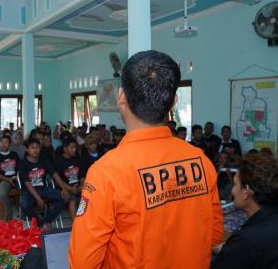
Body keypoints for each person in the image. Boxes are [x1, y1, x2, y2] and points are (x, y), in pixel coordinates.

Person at [69, 50, 223, 269]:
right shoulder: (200, 160)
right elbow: (214, 235)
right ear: (173, 103)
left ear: (121, 97)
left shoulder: (107, 171)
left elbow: (83, 262)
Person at [211, 154, 278, 268]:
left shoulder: (246, 239)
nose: (232, 190)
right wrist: (229, 248)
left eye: (235, 184)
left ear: (246, 191)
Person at [19, 138, 68, 227]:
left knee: (64, 197)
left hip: (43, 188)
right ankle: (39, 222)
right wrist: (38, 199)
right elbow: (27, 184)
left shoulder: (43, 159)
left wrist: (64, 189)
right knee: (24, 204)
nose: (35, 150)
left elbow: (54, 174)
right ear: (27, 149)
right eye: (32, 148)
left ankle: (47, 219)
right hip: (28, 191)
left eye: (37, 147)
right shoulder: (23, 163)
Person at [0, 136, 20, 220]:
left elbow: (20, 168)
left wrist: (17, 178)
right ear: (0, 143)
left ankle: (23, 212)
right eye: (2, 142)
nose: (4, 144)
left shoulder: (14, 154)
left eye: (6, 142)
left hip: (16, 179)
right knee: (2, 193)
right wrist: (8, 179)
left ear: (9, 144)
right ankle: (9, 213)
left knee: (28, 188)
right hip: (5, 180)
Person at [54, 138, 81, 221]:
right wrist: (70, 189)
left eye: (75, 147)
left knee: (89, 196)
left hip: (77, 187)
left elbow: (81, 175)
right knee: (72, 199)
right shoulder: (58, 161)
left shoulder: (76, 159)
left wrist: (81, 186)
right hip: (65, 188)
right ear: (65, 149)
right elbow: (58, 180)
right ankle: (75, 225)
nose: (74, 150)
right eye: (72, 147)